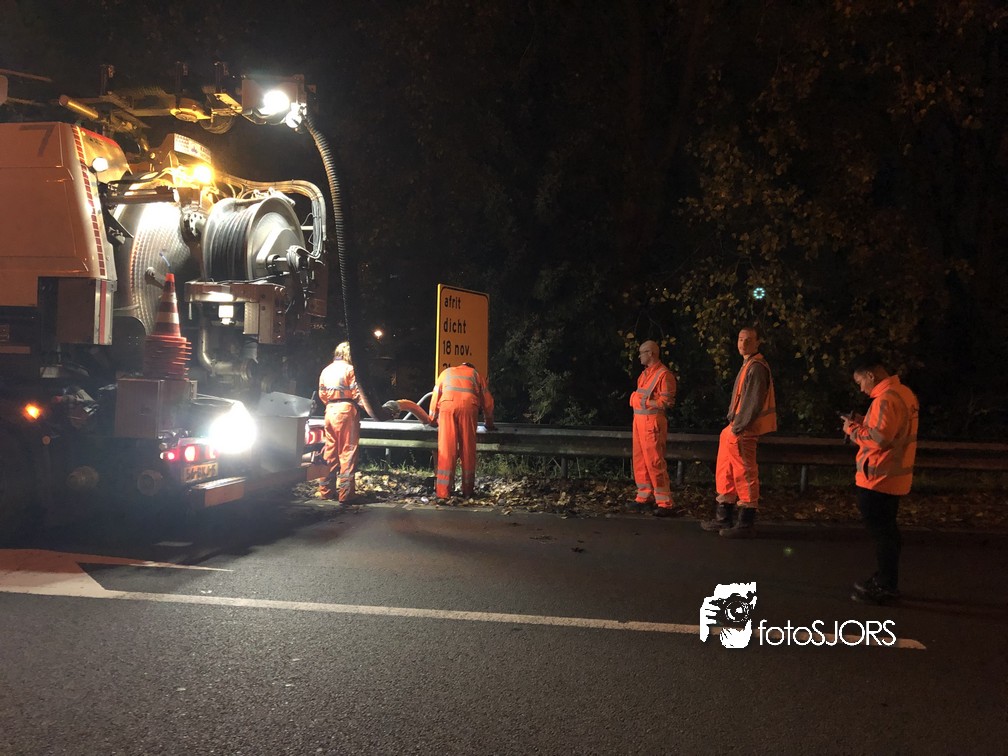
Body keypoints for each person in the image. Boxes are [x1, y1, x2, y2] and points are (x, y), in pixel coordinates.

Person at [842, 353, 918, 605]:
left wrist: (852, 429)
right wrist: (863, 421)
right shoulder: (904, 394)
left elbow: (879, 439)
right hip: (893, 475)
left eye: (860, 382)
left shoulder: (885, 399)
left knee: (883, 534)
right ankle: (886, 578)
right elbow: (889, 430)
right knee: (888, 532)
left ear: (870, 375)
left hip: (878, 478)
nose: (861, 389)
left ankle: (886, 586)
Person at [701, 325, 777, 538]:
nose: (743, 343)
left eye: (749, 340)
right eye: (741, 339)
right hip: (736, 428)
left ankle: (745, 522)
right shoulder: (749, 365)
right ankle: (724, 517)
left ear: (758, 342)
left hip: (743, 430)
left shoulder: (756, 367)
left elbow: (752, 402)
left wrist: (737, 427)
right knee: (726, 471)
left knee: (745, 473)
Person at [428, 362, 496, 499]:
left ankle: (443, 493)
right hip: (468, 408)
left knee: (447, 449)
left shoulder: (446, 373)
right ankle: (467, 491)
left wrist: (432, 418)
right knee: (467, 449)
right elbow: (487, 403)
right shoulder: (475, 375)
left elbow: (435, 397)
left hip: (447, 408)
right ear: (471, 367)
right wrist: (489, 423)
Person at [629, 340, 679, 516]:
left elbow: (667, 402)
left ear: (651, 353)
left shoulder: (664, 375)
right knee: (640, 460)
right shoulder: (644, 375)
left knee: (655, 461)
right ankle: (644, 496)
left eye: (642, 352)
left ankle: (665, 502)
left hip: (652, 423)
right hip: (639, 422)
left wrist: (643, 402)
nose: (639, 356)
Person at [317, 342, 361, 503]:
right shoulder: (350, 370)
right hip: (346, 411)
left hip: (330, 411)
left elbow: (322, 394)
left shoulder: (326, 370)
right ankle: (346, 494)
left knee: (330, 451)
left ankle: (325, 491)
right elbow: (357, 394)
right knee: (347, 452)